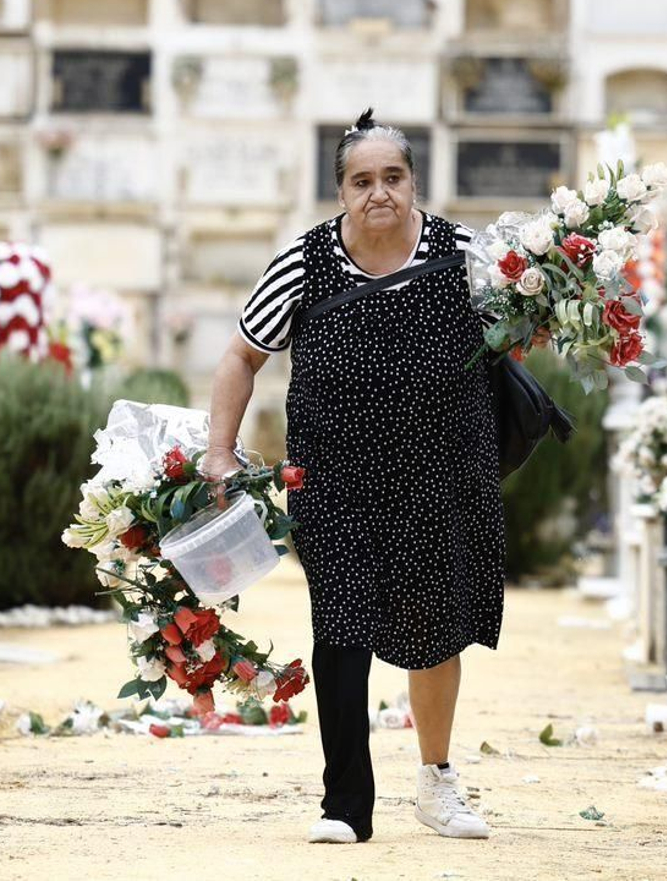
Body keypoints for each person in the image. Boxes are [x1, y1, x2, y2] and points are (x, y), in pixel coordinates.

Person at [202, 108, 523, 844]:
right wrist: (220, 451)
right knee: (341, 628)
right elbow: (241, 356)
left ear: (413, 182)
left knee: (436, 630)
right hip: (334, 482)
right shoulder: (303, 262)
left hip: (442, 479)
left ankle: (437, 783)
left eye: (393, 177)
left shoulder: (465, 255)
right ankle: (345, 803)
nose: (379, 192)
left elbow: (516, 341)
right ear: (341, 192)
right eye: (362, 181)